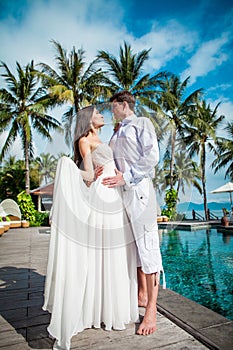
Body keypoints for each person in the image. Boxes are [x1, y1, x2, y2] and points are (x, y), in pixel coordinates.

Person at [43, 106, 139, 350]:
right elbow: (86, 172)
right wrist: (77, 169)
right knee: (106, 250)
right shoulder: (85, 140)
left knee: (117, 252)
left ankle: (110, 306)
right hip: (103, 193)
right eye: (98, 113)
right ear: (89, 119)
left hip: (115, 191)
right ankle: (100, 309)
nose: (102, 115)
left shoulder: (103, 138)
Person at [102, 90, 165, 336]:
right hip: (121, 195)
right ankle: (141, 293)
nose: (111, 111)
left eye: (113, 107)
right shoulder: (117, 131)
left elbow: (152, 156)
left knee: (148, 248)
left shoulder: (142, 123)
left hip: (139, 192)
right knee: (133, 247)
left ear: (124, 104)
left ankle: (151, 310)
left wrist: (125, 177)